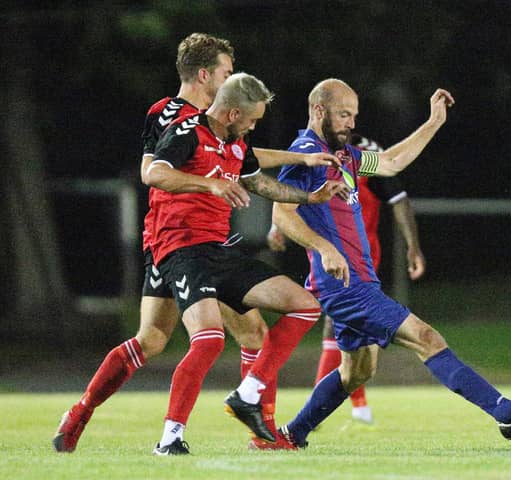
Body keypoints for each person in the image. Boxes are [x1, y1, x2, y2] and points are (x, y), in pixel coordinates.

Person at [53, 34, 341, 455]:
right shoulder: (177, 118)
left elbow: (241, 155)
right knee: (231, 335)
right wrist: (212, 185)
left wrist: (301, 162)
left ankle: (80, 413)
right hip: (180, 241)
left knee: (156, 339)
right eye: (226, 71)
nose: (230, 77)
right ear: (206, 75)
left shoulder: (222, 126)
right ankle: (246, 430)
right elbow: (157, 169)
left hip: (195, 241)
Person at [270, 78, 511, 449]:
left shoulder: (344, 156)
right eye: (343, 114)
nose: (351, 123)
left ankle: (291, 435)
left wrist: (434, 121)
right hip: (346, 285)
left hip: (358, 281)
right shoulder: (305, 152)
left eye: (354, 115)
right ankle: (506, 411)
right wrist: (323, 248)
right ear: (318, 111)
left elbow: (390, 162)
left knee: (356, 371)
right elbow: (282, 214)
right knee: (426, 338)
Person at [144, 72, 349, 454]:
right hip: (183, 249)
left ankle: (248, 394)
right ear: (233, 112)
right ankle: (169, 439)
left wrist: (312, 197)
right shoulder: (187, 132)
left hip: (220, 251)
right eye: (252, 120)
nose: (253, 126)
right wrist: (210, 184)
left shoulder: (234, 143)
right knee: (207, 341)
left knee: (304, 305)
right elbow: (154, 172)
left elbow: (262, 184)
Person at [267, 133, 426, 425]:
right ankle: (352, 406)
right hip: (325, 249)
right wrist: (278, 225)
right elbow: (291, 194)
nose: (345, 121)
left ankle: (321, 410)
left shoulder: (362, 153)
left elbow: (398, 197)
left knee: (341, 324)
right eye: (342, 114)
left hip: (359, 254)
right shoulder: (312, 151)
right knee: (344, 327)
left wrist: (412, 246)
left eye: (349, 115)